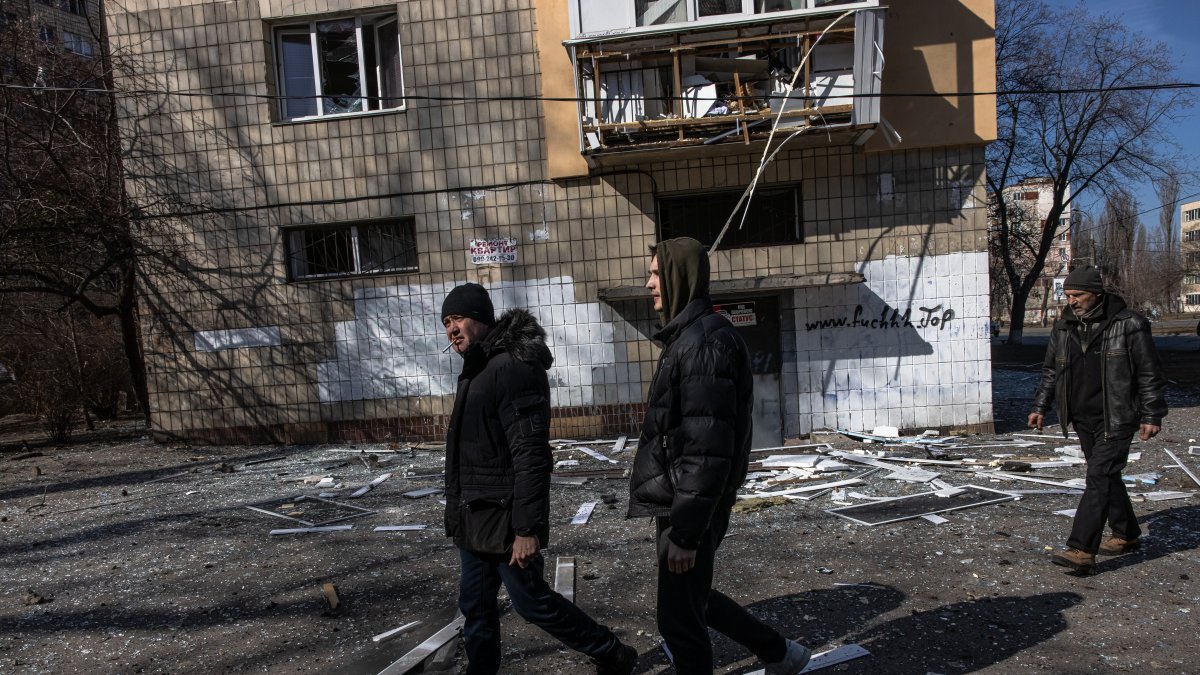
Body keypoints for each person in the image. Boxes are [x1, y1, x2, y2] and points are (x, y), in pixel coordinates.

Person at [627, 238, 811, 674]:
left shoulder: (704, 343)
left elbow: (708, 448)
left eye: (656, 273)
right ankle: (780, 653)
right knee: (694, 599)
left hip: (691, 505)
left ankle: (781, 653)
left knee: (678, 619)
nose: (649, 283)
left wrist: (687, 533)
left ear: (679, 277)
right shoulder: (691, 337)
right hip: (685, 498)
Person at [441, 283, 637, 675]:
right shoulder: (476, 369)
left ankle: (610, 652)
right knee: (475, 608)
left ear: (480, 318)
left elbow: (531, 454)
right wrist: (456, 513)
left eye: (458, 319)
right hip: (474, 517)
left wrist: (526, 528)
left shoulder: (512, 368)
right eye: (446, 322)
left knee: (531, 602)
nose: (452, 329)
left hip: (504, 520)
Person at [1028, 265, 1167, 575]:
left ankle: (1081, 548)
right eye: (1068, 295)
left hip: (1117, 416)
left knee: (1099, 477)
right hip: (1081, 415)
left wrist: (1152, 413)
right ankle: (1127, 533)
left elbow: (1149, 372)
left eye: (1078, 295)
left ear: (1096, 294)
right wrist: (1040, 406)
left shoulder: (1129, 324)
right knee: (1105, 475)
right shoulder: (1064, 326)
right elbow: (1052, 371)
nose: (1072, 301)